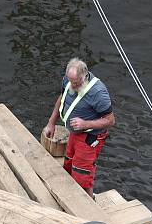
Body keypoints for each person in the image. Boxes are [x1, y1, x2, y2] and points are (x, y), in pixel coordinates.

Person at [44, 58, 115, 199]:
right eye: (70, 81)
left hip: (90, 137)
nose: (72, 85)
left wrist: (85, 124)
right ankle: (70, 196)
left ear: (84, 75)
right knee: (69, 163)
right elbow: (62, 98)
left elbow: (110, 120)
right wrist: (51, 122)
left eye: (76, 83)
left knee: (82, 171)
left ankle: (89, 202)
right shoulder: (68, 80)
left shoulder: (98, 93)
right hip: (74, 134)